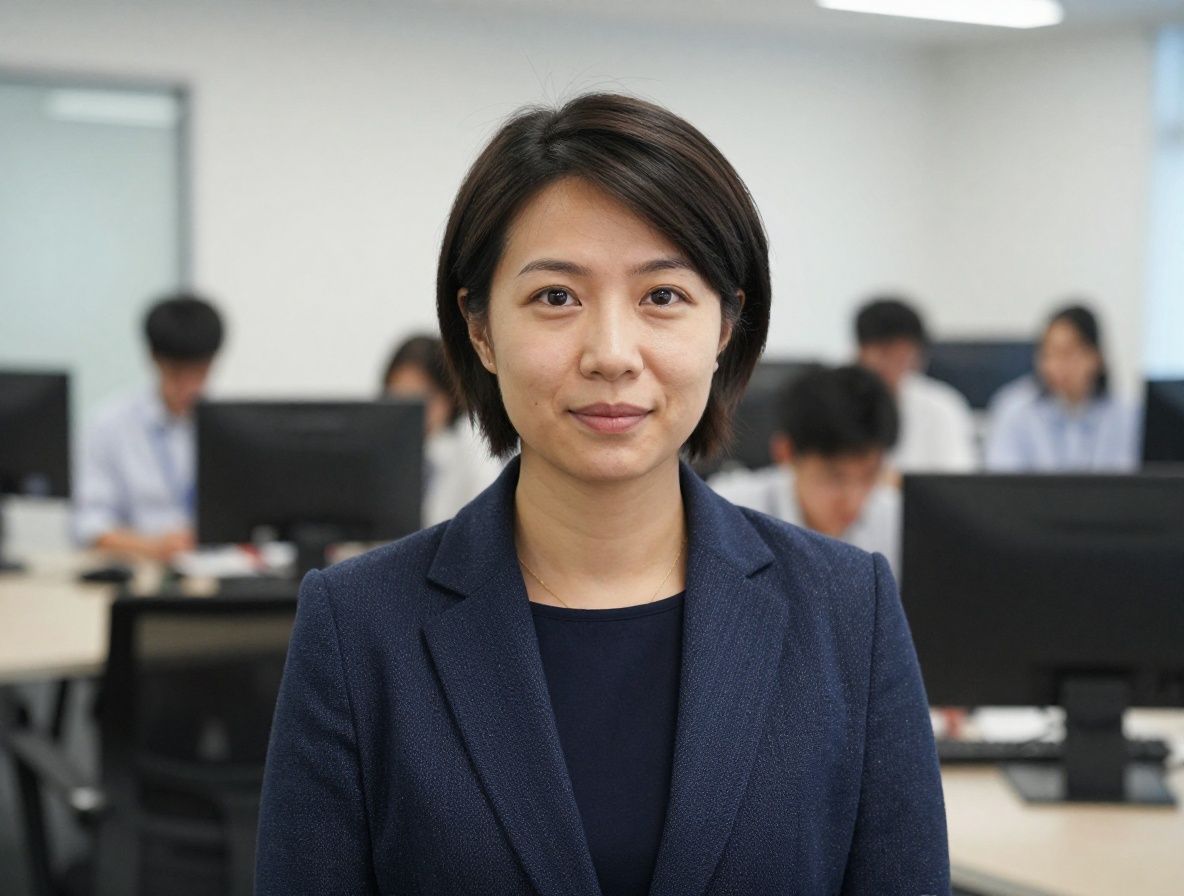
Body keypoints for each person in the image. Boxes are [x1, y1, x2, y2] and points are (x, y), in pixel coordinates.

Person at [257, 94, 948, 895]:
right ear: (480, 329)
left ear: (725, 325)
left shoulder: (846, 611)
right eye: (556, 297)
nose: (612, 354)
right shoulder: (357, 628)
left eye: (662, 296)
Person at [710, 364, 903, 576]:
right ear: (786, 453)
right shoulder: (728, 511)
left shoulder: (898, 521)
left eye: (869, 475)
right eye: (835, 478)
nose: (853, 500)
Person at [73, 293, 224, 562]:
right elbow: (88, 525)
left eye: (200, 373)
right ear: (154, 359)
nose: (190, 387)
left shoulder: (229, 426)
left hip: (219, 573)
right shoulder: (110, 424)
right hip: (139, 569)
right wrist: (153, 547)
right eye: (177, 373)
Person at [985, 304, 1139, 471]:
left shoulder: (1127, 415)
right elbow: (1002, 483)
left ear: (1095, 356)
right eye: (1047, 354)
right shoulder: (1014, 410)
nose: (1053, 366)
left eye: (1066, 353)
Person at [382, 333, 504, 525]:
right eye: (399, 399)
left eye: (424, 399)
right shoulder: (380, 455)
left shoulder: (473, 452)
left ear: (449, 397)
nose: (411, 414)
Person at [855, 296, 977, 473]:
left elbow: (958, 481)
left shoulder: (942, 407)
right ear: (861, 352)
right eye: (885, 353)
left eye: (904, 356)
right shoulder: (833, 403)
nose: (894, 366)